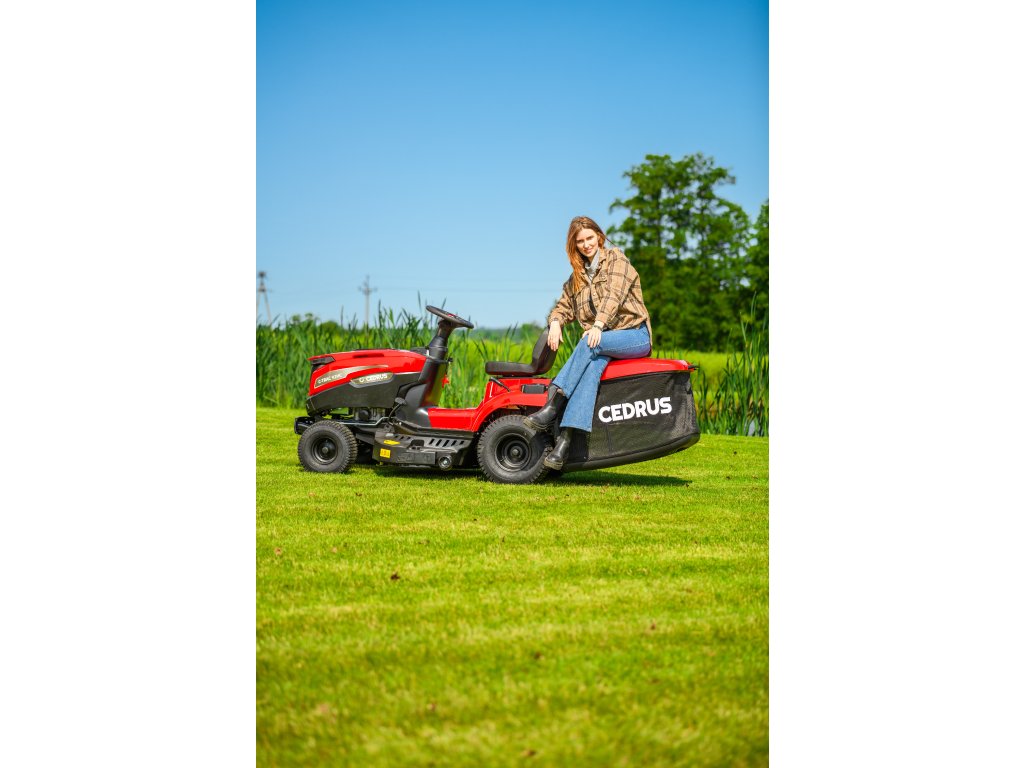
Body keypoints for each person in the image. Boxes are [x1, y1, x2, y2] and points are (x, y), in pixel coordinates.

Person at [524, 215, 654, 470]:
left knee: (589, 343)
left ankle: (553, 406)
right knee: (591, 370)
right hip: (603, 342)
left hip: (633, 335)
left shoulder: (616, 259)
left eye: (590, 238)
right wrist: (555, 322)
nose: (586, 245)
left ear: (599, 237)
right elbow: (562, 307)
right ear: (574, 245)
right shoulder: (577, 277)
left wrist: (598, 325)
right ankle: (565, 443)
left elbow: (614, 296)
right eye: (580, 241)